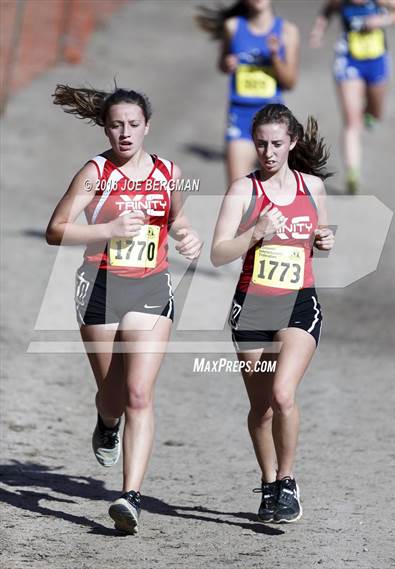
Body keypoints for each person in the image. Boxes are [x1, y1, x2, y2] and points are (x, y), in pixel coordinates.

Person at [46, 85, 201, 534]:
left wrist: (187, 237)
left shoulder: (168, 171)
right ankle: (105, 421)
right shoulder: (95, 172)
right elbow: (56, 231)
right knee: (113, 397)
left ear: (147, 127)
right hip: (99, 288)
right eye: (116, 125)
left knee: (139, 395)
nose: (125, 133)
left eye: (134, 125)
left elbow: (177, 220)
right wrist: (108, 228)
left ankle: (130, 495)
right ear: (106, 128)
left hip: (151, 289)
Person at [211, 103, 334, 523]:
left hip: (299, 302)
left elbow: (323, 231)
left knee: (283, 394)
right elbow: (218, 253)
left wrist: (324, 239)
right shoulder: (243, 191)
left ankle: (286, 481)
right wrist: (255, 232)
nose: (268, 152)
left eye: (277, 144)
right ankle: (268, 483)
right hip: (252, 306)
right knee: (261, 409)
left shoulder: (312, 187)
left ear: (292, 143)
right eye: (261, 144)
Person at [310, 0, 395, 194]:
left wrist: (383, 19)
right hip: (349, 60)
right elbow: (326, 11)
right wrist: (318, 31)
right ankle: (353, 173)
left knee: (376, 114)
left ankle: (369, 113)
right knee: (351, 121)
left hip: (377, 61)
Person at [196, 0, 299, 185]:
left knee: (274, 190)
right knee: (238, 190)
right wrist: (227, 64)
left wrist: (275, 57)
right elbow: (222, 63)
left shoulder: (287, 31)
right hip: (240, 116)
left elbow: (289, 83)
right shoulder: (232, 27)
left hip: (273, 120)